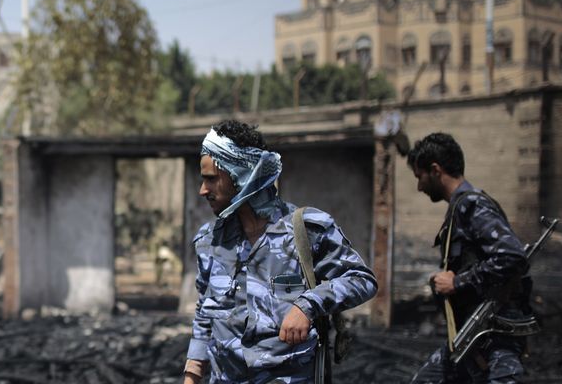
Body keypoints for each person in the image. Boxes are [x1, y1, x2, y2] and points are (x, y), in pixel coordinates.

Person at [183, 120, 377, 384]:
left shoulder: (305, 230)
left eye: (211, 179)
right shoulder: (210, 240)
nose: (203, 190)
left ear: (241, 175)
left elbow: (361, 280)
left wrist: (307, 305)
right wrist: (193, 372)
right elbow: (206, 311)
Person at [407, 133, 533, 383]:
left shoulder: (472, 205)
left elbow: (512, 256)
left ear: (435, 170)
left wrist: (458, 282)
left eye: (419, 177)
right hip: (470, 336)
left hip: (495, 338)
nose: (419, 186)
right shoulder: (459, 208)